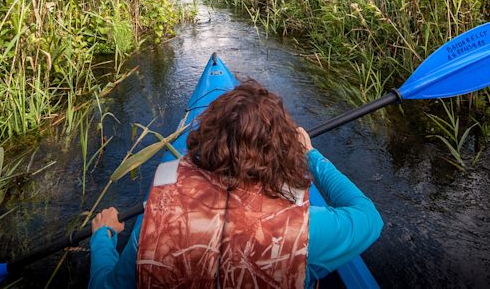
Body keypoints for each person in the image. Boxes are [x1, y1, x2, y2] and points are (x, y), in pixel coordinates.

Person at [89, 80, 383, 289]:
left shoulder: (156, 224)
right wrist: (312, 157)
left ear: (207, 141)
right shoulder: (306, 231)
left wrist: (103, 238)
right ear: (282, 152)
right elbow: (368, 216)